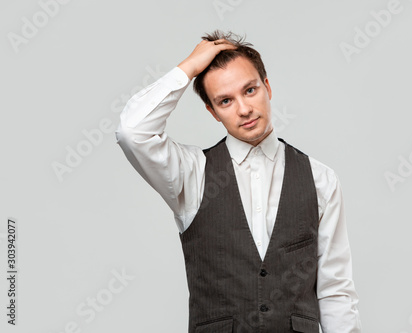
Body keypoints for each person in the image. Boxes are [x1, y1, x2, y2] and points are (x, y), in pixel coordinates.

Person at [115, 30, 362, 333]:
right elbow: (133, 132)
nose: (244, 109)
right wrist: (190, 66)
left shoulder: (320, 179)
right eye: (225, 100)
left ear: (267, 87)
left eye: (249, 90)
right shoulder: (193, 174)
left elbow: (335, 292)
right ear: (212, 111)